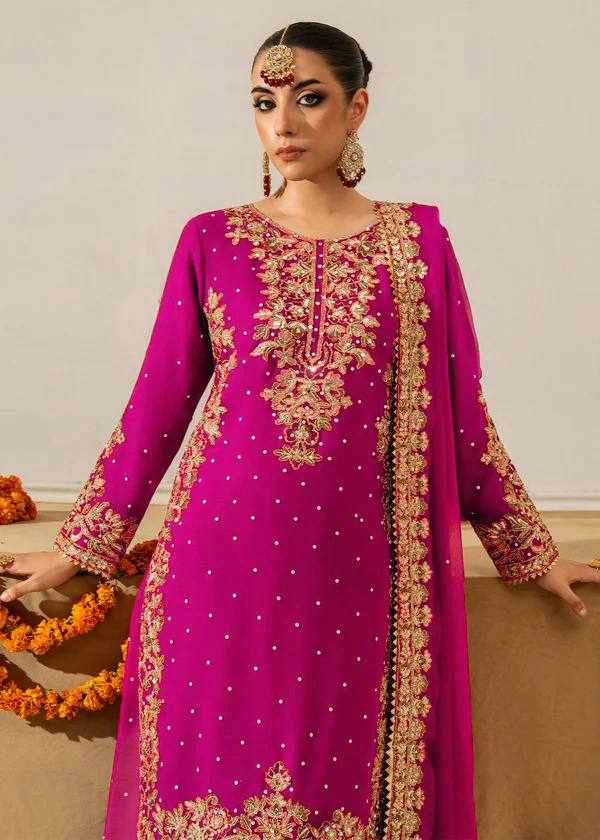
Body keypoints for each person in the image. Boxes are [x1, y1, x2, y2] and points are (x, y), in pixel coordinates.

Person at [1, 20, 598, 840]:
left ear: (358, 109)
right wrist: (82, 546)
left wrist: (529, 549)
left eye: (309, 98)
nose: (283, 123)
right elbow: (158, 404)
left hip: (362, 567)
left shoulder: (417, 244)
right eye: (264, 101)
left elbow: (464, 413)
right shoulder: (212, 240)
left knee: (345, 790)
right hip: (219, 557)